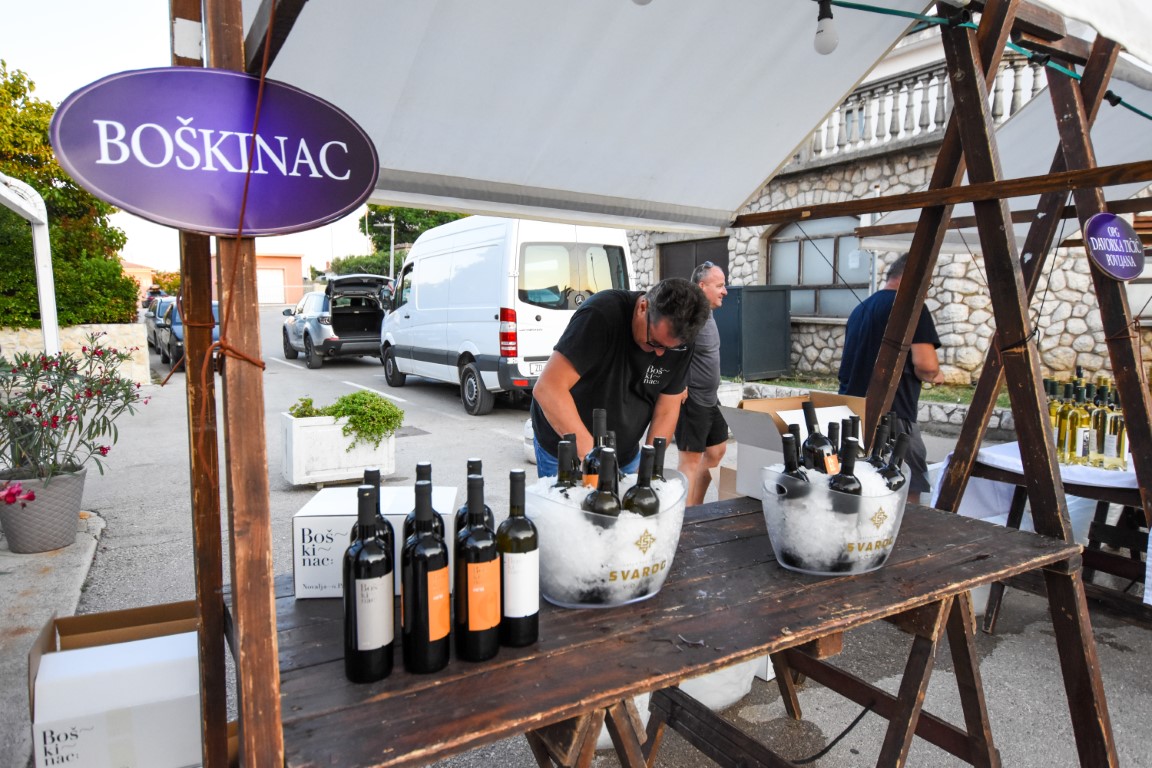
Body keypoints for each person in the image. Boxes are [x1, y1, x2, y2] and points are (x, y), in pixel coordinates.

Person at [531, 278, 710, 478]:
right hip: (566, 449)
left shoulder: (681, 342)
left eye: (668, 348)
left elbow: (667, 409)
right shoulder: (601, 315)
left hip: (625, 454)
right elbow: (548, 388)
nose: (660, 354)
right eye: (654, 342)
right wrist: (595, 459)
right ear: (643, 307)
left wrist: (648, 467)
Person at [838, 253, 944, 504]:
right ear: (916, 279)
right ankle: (904, 530)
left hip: (853, 410)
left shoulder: (860, 309)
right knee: (905, 487)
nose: (926, 292)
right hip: (894, 415)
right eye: (927, 285)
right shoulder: (911, 307)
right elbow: (926, 365)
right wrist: (935, 375)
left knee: (863, 485)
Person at [676, 262, 729, 506]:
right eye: (719, 286)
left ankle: (695, 509)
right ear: (701, 286)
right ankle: (685, 518)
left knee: (717, 451)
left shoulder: (707, 314)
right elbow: (671, 350)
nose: (724, 291)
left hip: (710, 398)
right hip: (692, 400)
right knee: (690, 460)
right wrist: (679, 384)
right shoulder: (689, 316)